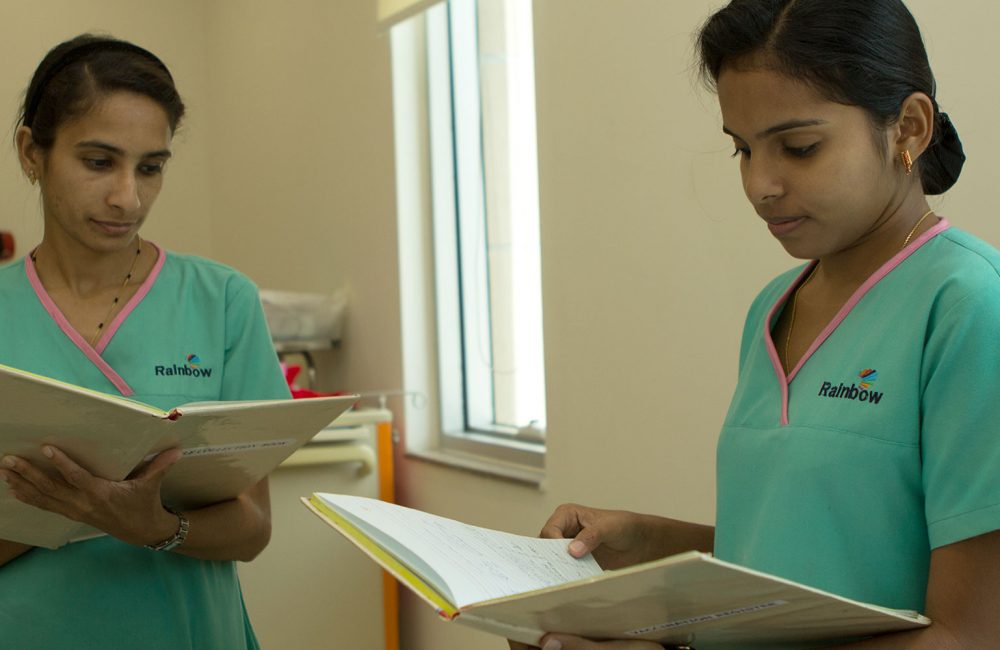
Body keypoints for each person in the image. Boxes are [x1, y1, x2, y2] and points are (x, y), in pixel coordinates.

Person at [513, 1, 1000, 648]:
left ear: (908, 128)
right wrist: (645, 543)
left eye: (799, 147)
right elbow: (797, 568)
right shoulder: (774, 309)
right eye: (743, 149)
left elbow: (970, 635)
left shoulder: (970, 308)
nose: (760, 185)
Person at [0, 35, 289, 649]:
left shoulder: (222, 302)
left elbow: (253, 527)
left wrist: (154, 524)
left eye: (150, 167)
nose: (127, 197)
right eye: (99, 162)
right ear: (32, 152)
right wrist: (82, 506)